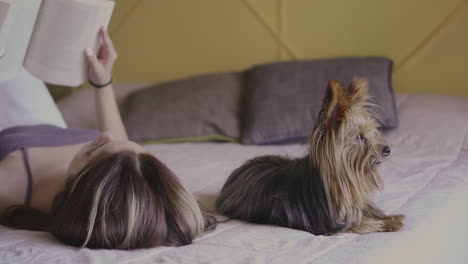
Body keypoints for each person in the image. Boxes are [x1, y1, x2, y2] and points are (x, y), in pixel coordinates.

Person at [0, 27, 215, 249]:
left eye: (94, 149)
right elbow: (120, 150)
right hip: (41, 117)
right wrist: (102, 81)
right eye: (138, 150)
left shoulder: (9, 186)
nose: (105, 134)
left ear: (80, 184)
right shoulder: (130, 176)